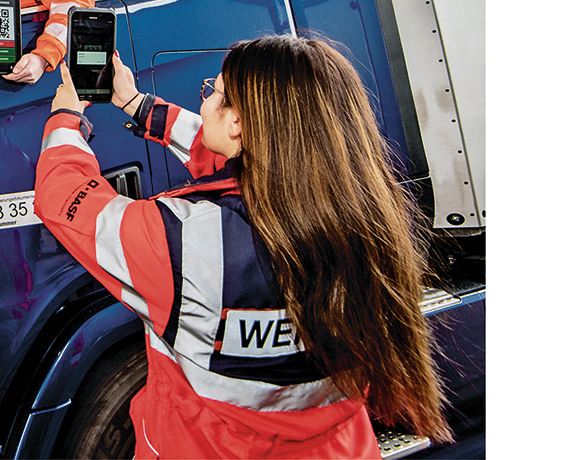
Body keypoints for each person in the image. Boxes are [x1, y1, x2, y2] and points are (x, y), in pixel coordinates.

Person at [34, 35, 451, 459]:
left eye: (211, 91)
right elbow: (253, 153)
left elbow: (65, 198)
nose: (205, 101)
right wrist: (137, 104)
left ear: (237, 123)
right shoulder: (366, 219)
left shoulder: (185, 242)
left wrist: (65, 116)